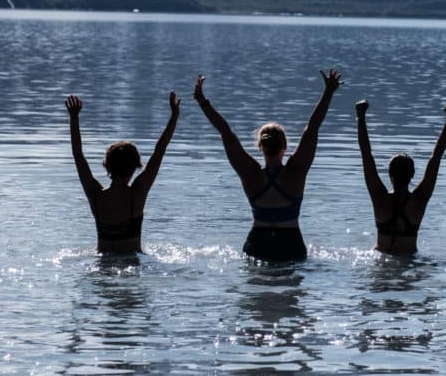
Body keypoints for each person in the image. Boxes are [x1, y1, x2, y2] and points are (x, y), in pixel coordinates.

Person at [193, 69, 342, 263]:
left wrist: (201, 100)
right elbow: (312, 127)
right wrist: (328, 92)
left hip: (258, 245)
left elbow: (225, 132)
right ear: (285, 147)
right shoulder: (295, 172)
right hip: (291, 245)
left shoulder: (250, 173)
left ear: (260, 147)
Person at [66, 91, 180, 254]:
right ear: (135, 167)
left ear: (107, 166)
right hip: (132, 265)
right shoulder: (138, 193)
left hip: (103, 266)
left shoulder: (96, 195)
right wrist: (174, 116)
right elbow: (159, 150)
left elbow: (78, 155)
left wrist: (74, 118)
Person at [355, 99, 446, 255]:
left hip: (379, 262)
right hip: (409, 263)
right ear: (412, 175)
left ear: (389, 174)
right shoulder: (419, 200)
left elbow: (366, 155)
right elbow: (436, 157)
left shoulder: (379, 197)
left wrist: (361, 117)